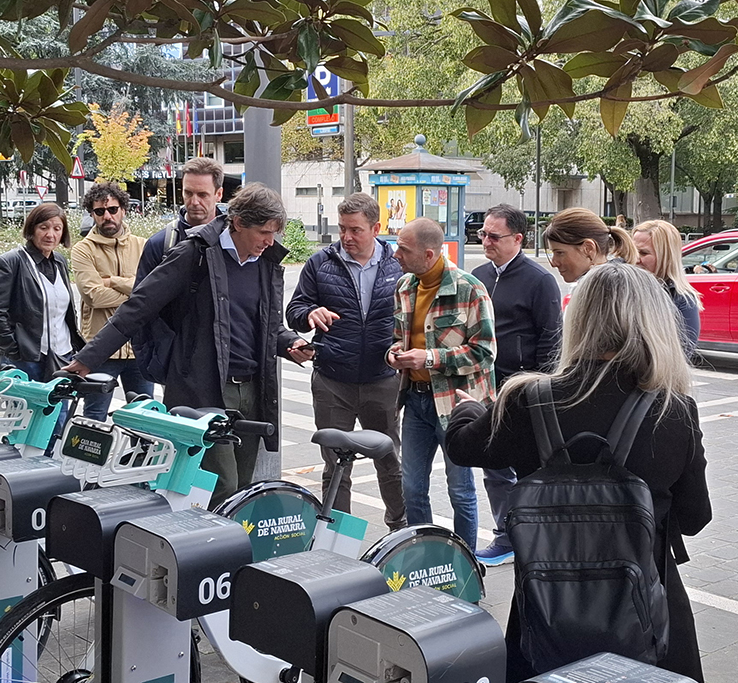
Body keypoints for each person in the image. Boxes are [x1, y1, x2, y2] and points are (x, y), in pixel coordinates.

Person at [444, 262, 710, 683]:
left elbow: (463, 440)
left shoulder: (531, 400)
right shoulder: (671, 409)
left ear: (579, 319)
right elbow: (696, 517)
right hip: (647, 614)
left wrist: (480, 399)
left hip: (546, 611)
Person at [65, 183, 311, 507]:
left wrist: (290, 342)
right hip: (203, 386)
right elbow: (138, 306)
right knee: (223, 485)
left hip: (252, 388)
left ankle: (229, 553)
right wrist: (88, 360)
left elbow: (266, 324)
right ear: (237, 223)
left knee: (242, 488)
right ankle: (210, 551)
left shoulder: (264, 261)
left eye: (274, 234)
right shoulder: (195, 253)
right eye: (264, 232)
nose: (270, 242)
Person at [287, 193, 407, 529]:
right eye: (342, 229)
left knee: (389, 458)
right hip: (333, 380)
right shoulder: (320, 262)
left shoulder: (397, 263)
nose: (347, 237)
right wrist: (310, 313)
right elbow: (294, 311)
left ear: (376, 228)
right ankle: (338, 535)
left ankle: (400, 529)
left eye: (355, 230)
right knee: (336, 462)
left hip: (382, 379)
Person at [389, 217, 494, 552]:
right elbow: (399, 339)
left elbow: (485, 353)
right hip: (416, 401)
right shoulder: (405, 287)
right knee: (412, 488)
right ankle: (427, 560)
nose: (395, 255)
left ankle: (466, 561)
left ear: (429, 254)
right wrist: (394, 354)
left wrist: (429, 358)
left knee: (460, 489)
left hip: (457, 406)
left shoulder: (469, 288)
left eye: (403, 249)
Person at [468, 204, 563, 567]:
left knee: (528, 466)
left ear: (518, 239)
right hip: (485, 385)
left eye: (494, 236)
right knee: (493, 465)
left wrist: (539, 386)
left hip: (523, 386)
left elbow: (551, 338)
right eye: (482, 235)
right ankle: (505, 533)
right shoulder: (477, 276)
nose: (486, 241)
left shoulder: (539, 281)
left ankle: (529, 534)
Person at [71, 181, 153, 419]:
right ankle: (85, 458)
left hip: (139, 348)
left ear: (123, 210)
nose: (107, 216)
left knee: (145, 417)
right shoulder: (83, 250)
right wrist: (134, 288)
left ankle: (138, 457)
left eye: (113, 209)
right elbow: (94, 296)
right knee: (94, 416)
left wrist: (112, 281)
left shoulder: (143, 246)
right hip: (101, 350)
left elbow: (152, 292)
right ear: (92, 214)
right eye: (99, 211)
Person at [0, 202, 83, 381]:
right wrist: (13, 350)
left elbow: (66, 309)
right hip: (26, 358)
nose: (50, 234)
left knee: (59, 408)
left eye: (57, 228)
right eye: (43, 227)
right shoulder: (11, 262)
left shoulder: (59, 261)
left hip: (63, 355)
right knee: (25, 408)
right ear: (32, 229)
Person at [139, 156, 225, 279]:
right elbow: (141, 297)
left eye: (202, 195)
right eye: (188, 193)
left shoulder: (235, 240)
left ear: (219, 194)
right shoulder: (160, 244)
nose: (194, 202)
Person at [632, 218, 702, 359]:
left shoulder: (682, 299)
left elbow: (681, 355)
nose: (636, 259)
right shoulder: (619, 287)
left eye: (644, 253)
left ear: (666, 257)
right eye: (632, 251)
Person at [541, 207, 636, 283]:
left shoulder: (605, 291)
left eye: (560, 253)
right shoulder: (622, 284)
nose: (553, 263)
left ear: (588, 248)